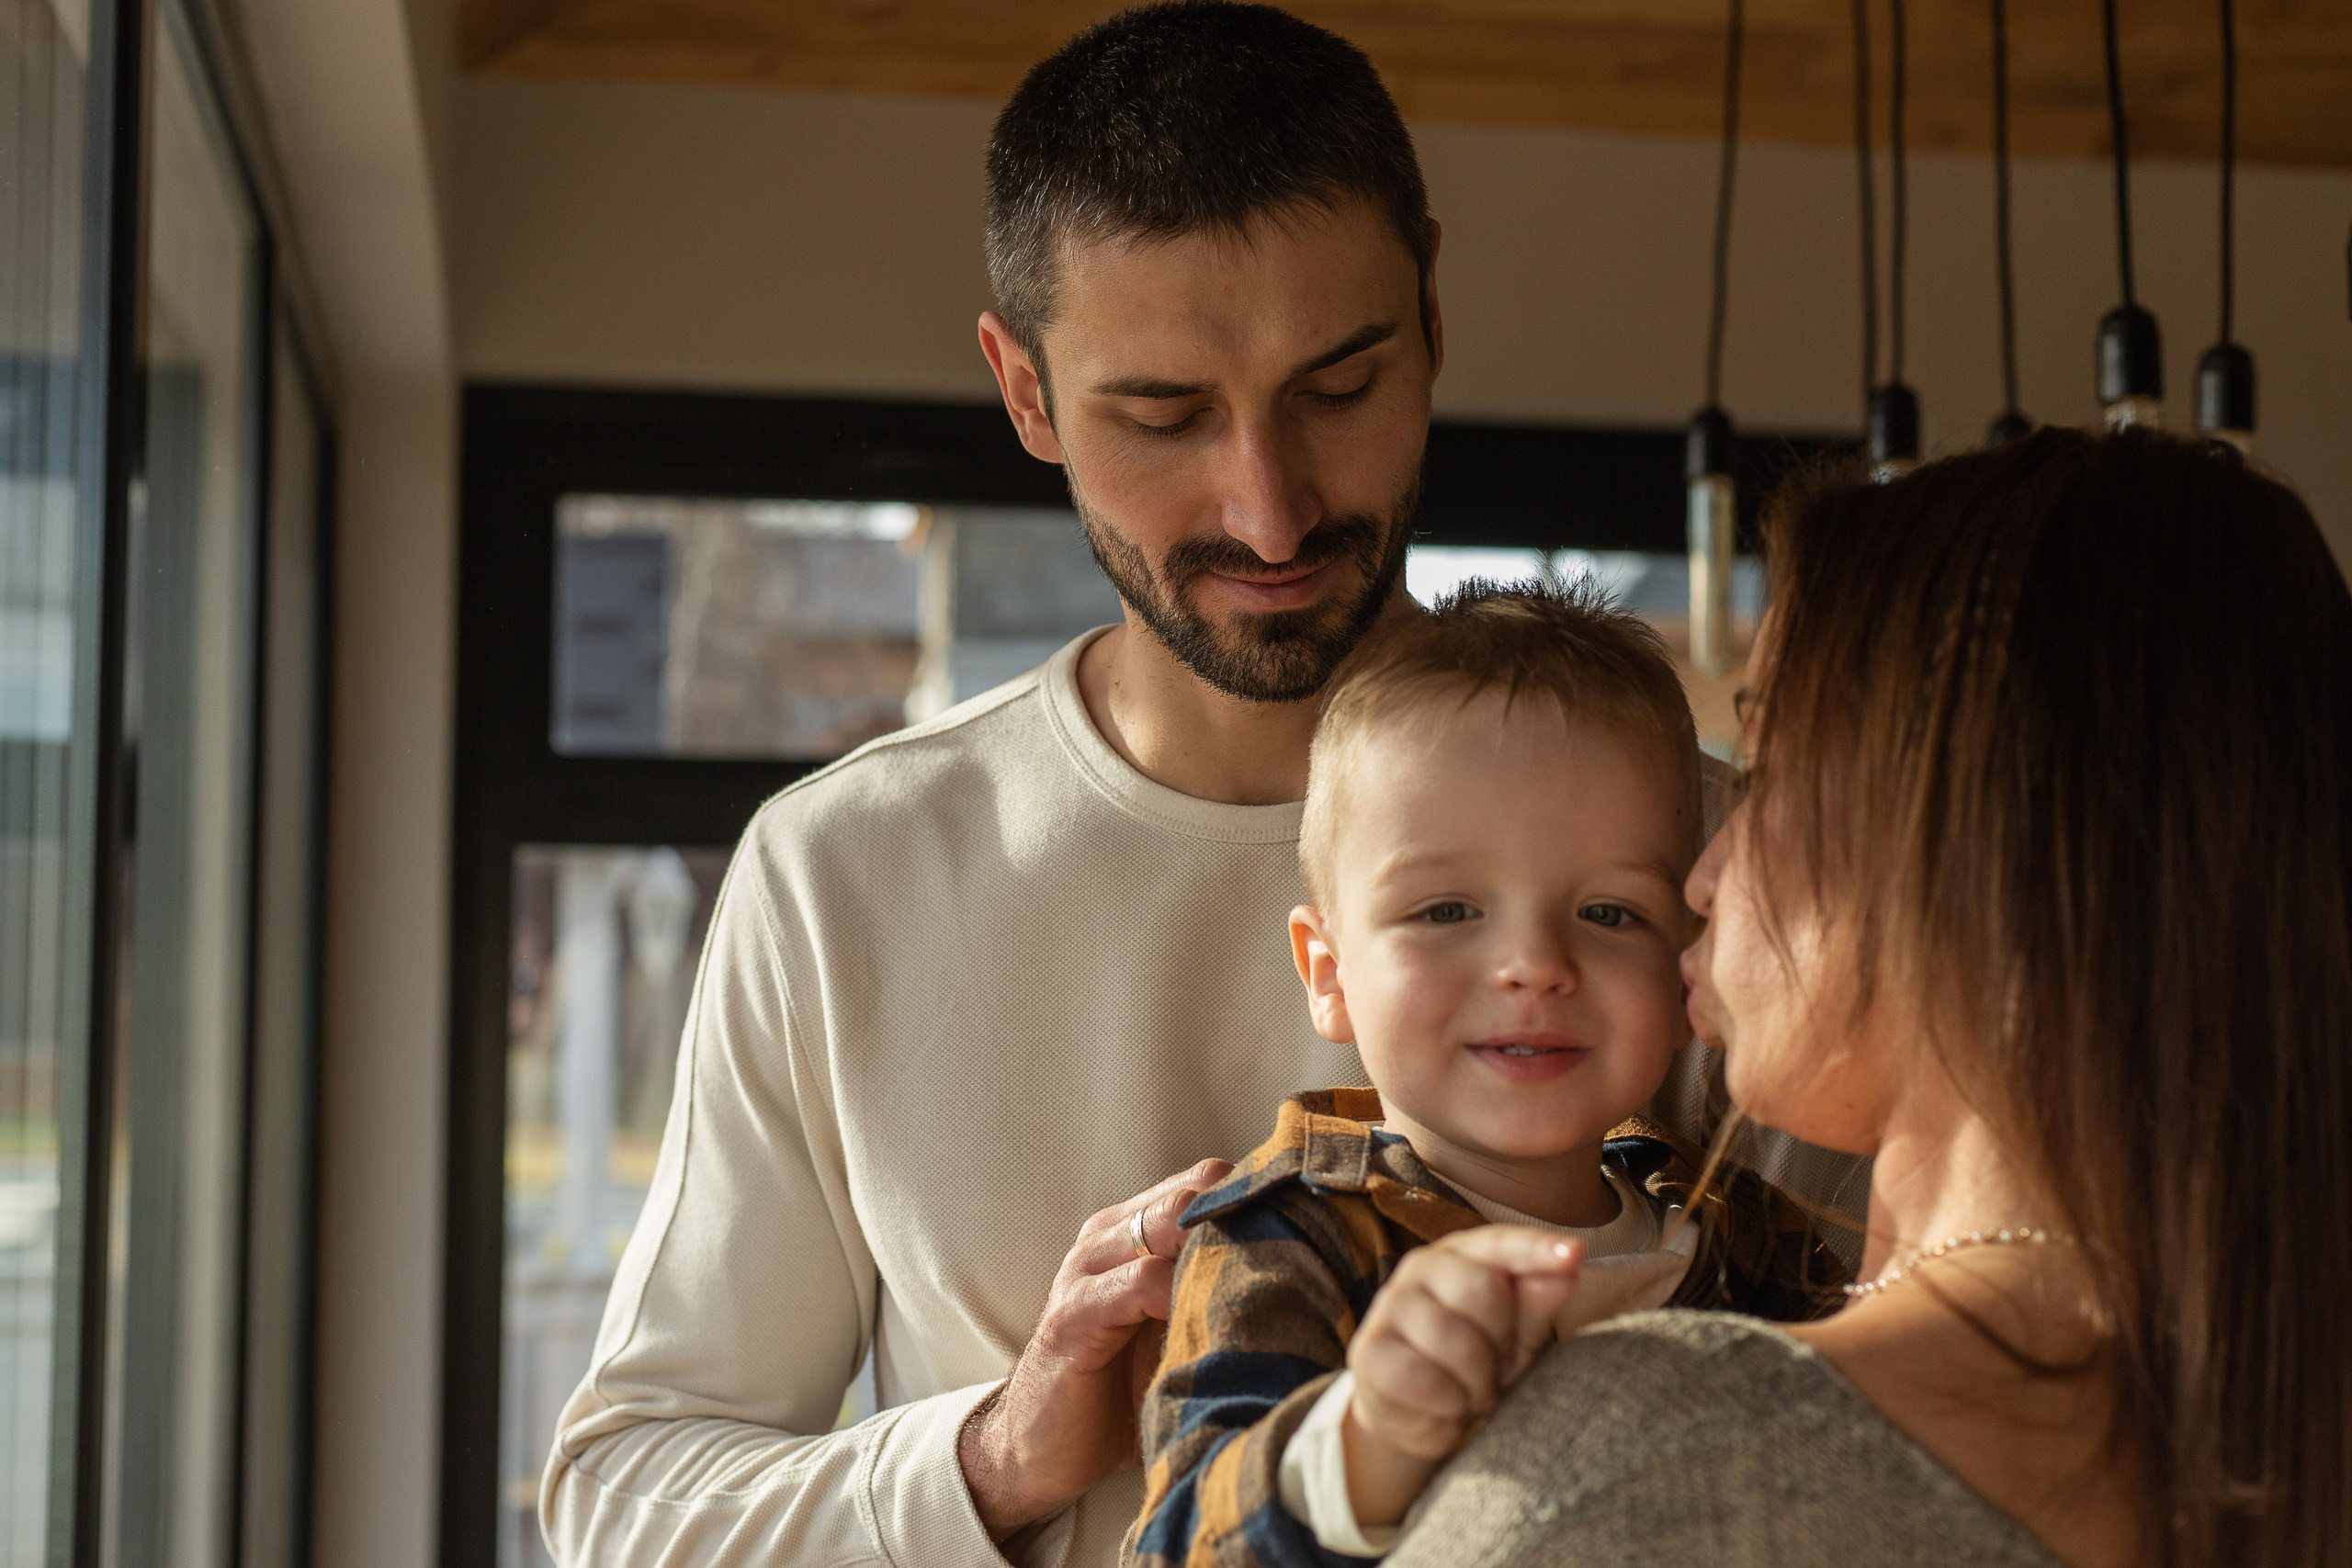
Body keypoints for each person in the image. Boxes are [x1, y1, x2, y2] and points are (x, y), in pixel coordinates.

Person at [539, 5, 1860, 1564]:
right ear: (1025, 392)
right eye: (1162, 415)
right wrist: (998, 1450)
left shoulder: (1714, 853)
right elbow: (626, 1503)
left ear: (1430, 310)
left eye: (1340, 384)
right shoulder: (843, 874)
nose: (1271, 504)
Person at [1372, 428, 2352, 1568]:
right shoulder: (2289, 1435)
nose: (1701, 880)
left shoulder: (1655, 1466)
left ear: (1966, 845)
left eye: (1771, 766)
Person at [1123, 583, 1849, 1568]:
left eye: (1607, 914)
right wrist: (1361, 1440)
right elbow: (1174, 1547)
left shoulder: (1748, 1238)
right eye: (1447, 911)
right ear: (1328, 975)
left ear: (1686, 965)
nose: (1532, 963)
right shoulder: (1287, 1235)